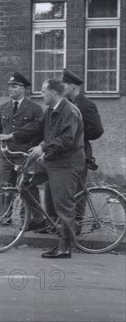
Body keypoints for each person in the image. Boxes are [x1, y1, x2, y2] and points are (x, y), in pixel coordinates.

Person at [36, 68, 104, 234]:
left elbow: (97, 130)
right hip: (59, 151)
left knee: (75, 192)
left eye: (64, 84)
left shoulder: (85, 105)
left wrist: (77, 134)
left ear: (72, 86)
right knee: (54, 189)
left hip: (76, 152)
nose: (61, 86)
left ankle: (76, 227)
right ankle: (53, 223)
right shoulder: (60, 104)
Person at [28, 78, 85, 259]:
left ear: (52, 93)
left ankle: (64, 247)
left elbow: (67, 139)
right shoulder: (51, 110)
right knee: (26, 177)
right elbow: (40, 130)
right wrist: (13, 135)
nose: (41, 95)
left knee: (63, 205)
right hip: (53, 159)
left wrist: (43, 148)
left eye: (43, 92)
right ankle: (41, 220)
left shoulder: (69, 111)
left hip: (66, 163)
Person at [0, 72, 44, 230]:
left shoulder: (35, 109)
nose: (10, 89)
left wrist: (14, 136)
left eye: (14, 86)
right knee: (4, 186)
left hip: (24, 154)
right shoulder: (3, 108)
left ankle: (32, 220)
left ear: (23, 89)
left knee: (27, 187)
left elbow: (37, 130)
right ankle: (4, 217)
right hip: (6, 154)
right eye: (9, 86)